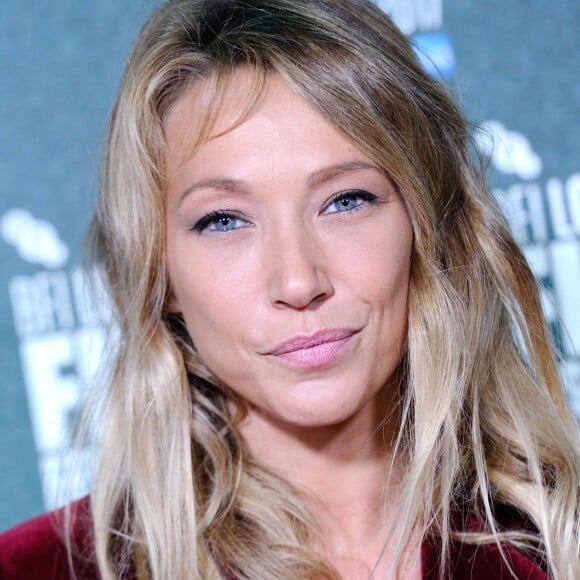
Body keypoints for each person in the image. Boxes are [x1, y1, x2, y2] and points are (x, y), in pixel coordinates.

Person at [1, 0, 579, 578]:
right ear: (161, 271)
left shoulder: (557, 542)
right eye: (224, 220)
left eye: (346, 201)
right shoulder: (36, 568)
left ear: (426, 227)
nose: (299, 281)